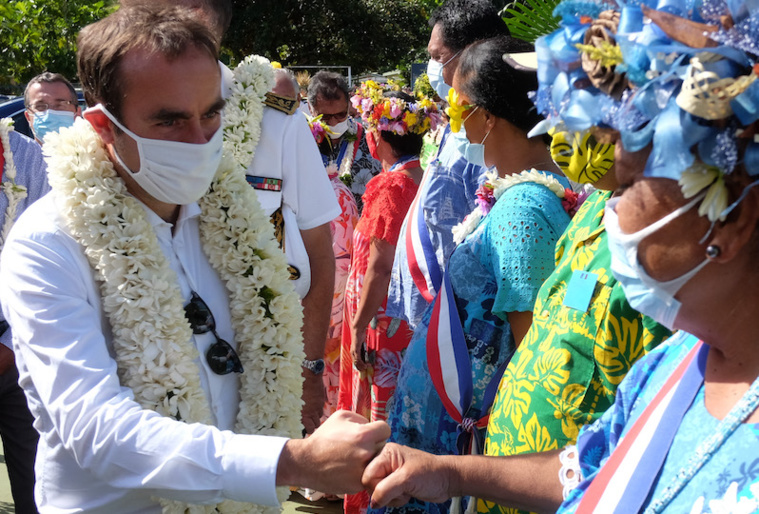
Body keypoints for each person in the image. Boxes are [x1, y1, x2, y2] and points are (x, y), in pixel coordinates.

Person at [362, 0, 759, 511]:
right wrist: (450, 472)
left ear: (731, 222)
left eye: (631, 185)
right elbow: (588, 468)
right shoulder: (677, 362)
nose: (607, 208)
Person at [0, 7, 388, 513]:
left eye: (211, 113)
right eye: (170, 120)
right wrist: (289, 462)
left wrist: (308, 375)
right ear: (103, 127)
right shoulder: (48, 242)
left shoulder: (228, 215)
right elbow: (94, 429)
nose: (202, 140)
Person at [121, 0, 340, 436]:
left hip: (256, 381)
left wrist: (310, 369)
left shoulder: (275, 118)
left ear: (200, 13)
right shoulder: (118, 121)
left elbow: (319, 252)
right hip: (143, 376)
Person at [376, 36, 574, 514]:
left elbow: (533, 348)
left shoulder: (523, 209)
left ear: (487, 117)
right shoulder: (518, 194)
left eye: (460, 107)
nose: (455, 122)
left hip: (462, 441)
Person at [480, 128, 672, 514]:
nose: (558, 126)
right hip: (519, 479)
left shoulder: (679, 239)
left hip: (583, 491)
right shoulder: (595, 204)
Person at [386, 0, 530, 331]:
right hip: (430, 315)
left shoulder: (493, 137)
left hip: (463, 331)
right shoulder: (459, 124)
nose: (433, 68)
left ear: (475, 54)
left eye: (438, 57)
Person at [337, 84, 442, 514]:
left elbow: (378, 268)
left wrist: (360, 326)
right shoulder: (425, 176)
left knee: (373, 409)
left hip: (380, 319)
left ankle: (371, 498)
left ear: (378, 137)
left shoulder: (390, 186)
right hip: (407, 316)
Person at [0, 119, 47, 514]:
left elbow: (46, 263)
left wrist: (8, 344)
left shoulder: (28, 157)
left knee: (36, 492)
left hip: (18, 354)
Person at [304, 112, 360, 419]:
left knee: (324, 376)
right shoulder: (337, 189)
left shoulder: (328, 194)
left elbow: (336, 263)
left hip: (328, 303)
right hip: (333, 299)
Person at [308, 71, 382, 211]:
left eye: (341, 114)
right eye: (325, 117)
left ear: (348, 106)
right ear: (312, 110)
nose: (334, 122)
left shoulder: (369, 141)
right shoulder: (301, 143)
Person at [23, 72, 81, 145]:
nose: (49, 112)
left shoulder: (95, 154)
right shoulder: (13, 155)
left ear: (77, 113)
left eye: (60, 105)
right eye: (40, 106)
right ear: (28, 117)